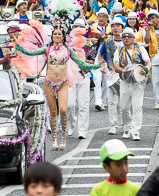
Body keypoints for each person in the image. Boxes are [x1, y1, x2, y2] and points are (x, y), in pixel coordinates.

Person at [14, 14, 99, 151]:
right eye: (55, 34)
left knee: (64, 110)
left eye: (59, 34)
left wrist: (96, 66)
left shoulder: (68, 50)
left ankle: (63, 137)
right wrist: (17, 45)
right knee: (53, 112)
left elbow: (81, 63)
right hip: (49, 83)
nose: (57, 36)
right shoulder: (47, 49)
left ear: (63, 36)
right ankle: (54, 138)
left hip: (63, 83)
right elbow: (30, 52)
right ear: (52, 36)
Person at [113, 27, 151, 141]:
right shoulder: (118, 51)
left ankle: (135, 131)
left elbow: (148, 62)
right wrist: (125, 71)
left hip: (138, 82)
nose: (126, 38)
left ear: (134, 38)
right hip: (125, 81)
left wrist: (145, 69)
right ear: (121, 38)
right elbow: (116, 67)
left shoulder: (140, 49)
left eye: (129, 36)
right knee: (124, 107)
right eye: (124, 36)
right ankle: (127, 127)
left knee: (137, 106)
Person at [97, 17, 126, 135]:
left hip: (125, 74)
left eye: (118, 26)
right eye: (113, 26)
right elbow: (100, 54)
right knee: (112, 101)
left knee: (125, 102)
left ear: (122, 28)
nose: (115, 28)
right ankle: (113, 125)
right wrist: (101, 64)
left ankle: (126, 125)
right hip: (111, 73)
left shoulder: (127, 39)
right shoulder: (108, 41)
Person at [67, 18, 95, 139]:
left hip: (84, 76)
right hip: (70, 77)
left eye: (80, 27)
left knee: (83, 105)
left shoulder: (88, 44)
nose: (77, 30)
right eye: (75, 27)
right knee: (69, 105)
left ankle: (82, 130)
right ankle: (71, 123)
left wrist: (84, 61)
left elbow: (92, 61)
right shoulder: (66, 43)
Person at [91, 7, 110, 110]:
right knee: (97, 79)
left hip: (107, 56)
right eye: (100, 16)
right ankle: (98, 102)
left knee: (106, 81)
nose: (101, 18)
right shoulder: (92, 27)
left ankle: (102, 101)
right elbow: (84, 39)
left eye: (103, 16)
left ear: (107, 17)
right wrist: (91, 39)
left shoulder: (111, 27)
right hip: (95, 55)